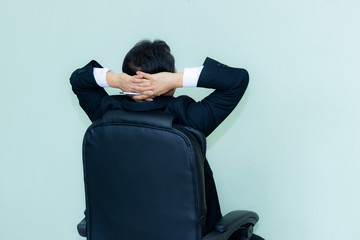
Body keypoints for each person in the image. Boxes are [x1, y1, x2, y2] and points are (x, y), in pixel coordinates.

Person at [70, 39, 262, 239]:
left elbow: (78, 80)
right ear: (165, 77)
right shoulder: (189, 117)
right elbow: (237, 79)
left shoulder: (106, 113)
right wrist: (176, 79)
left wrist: (116, 80)